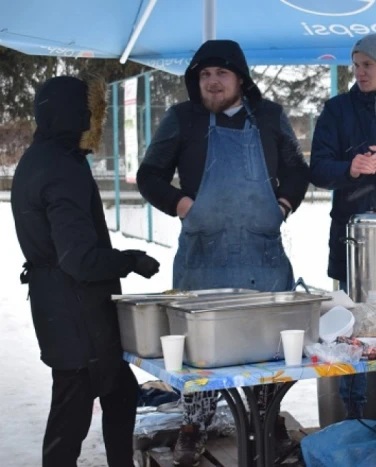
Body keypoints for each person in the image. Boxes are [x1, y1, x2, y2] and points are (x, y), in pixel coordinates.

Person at [137, 39, 310, 466]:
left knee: (268, 345)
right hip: (203, 255)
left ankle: (267, 421)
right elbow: (149, 175)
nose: (212, 82)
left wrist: (283, 206)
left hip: (262, 255)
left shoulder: (270, 118)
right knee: (201, 354)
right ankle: (193, 427)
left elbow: (296, 168)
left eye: (221, 74)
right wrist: (183, 206)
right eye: (204, 75)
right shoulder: (182, 119)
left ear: (240, 79)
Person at [11, 75, 161, 467]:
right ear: (78, 116)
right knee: (70, 416)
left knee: (119, 392)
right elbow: (78, 259)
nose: (96, 124)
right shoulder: (60, 169)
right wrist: (131, 260)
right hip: (76, 313)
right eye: (93, 115)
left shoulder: (41, 157)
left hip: (61, 305)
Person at [310, 32, 376, 419]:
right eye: (356, 64)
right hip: (352, 243)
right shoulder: (336, 111)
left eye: (369, 65)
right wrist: (349, 168)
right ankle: (354, 414)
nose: (360, 72)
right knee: (353, 327)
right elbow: (317, 168)